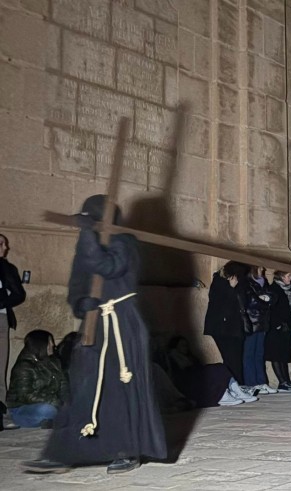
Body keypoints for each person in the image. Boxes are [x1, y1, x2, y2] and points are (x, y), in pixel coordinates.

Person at [21, 195, 166, 474]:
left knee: (120, 389)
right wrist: (80, 302)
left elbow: (108, 267)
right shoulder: (87, 244)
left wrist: (88, 232)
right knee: (82, 386)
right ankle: (63, 453)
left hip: (123, 323)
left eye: (92, 218)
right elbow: (78, 281)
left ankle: (126, 450)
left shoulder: (125, 242)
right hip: (93, 324)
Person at [203, 261, 257, 402]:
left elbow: (243, 302)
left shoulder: (242, 283)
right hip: (223, 328)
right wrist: (231, 288)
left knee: (236, 360)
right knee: (231, 360)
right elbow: (217, 302)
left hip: (235, 328)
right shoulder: (219, 281)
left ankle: (238, 388)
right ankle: (233, 389)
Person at [164, 336, 255, 407]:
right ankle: (221, 395)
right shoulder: (173, 357)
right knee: (213, 370)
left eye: (186, 345)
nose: (185, 348)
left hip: (194, 377)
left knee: (220, 367)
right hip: (186, 382)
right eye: (182, 345)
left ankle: (236, 391)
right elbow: (177, 374)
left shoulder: (190, 357)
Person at [6, 330, 68, 428]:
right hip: (24, 408)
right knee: (47, 410)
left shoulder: (54, 362)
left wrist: (67, 400)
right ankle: (55, 419)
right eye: (50, 342)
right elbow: (26, 396)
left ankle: (52, 420)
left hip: (53, 403)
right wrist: (55, 402)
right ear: (41, 344)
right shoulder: (24, 366)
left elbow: (63, 385)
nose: (53, 345)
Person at [0, 233, 27, 419]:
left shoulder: (6, 267)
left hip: (0, 319)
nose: (5, 248)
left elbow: (18, 293)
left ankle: (0, 411)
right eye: (1, 244)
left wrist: (1, 301)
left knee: (0, 366)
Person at [243, 266, 277, 394]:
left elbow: (273, 296)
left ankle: (261, 382)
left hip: (262, 322)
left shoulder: (264, 282)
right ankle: (251, 382)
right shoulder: (247, 282)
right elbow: (251, 301)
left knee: (259, 354)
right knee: (249, 353)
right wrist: (263, 299)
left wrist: (266, 298)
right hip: (252, 322)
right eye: (260, 267)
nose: (263, 269)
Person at [266, 271, 291, 392]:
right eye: (288, 276)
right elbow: (271, 309)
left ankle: (287, 380)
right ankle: (282, 381)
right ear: (281, 277)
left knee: (284, 355)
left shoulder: (288, 289)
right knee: (276, 355)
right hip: (276, 327)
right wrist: (278, 324)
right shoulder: (273, 289)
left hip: (286, 326)